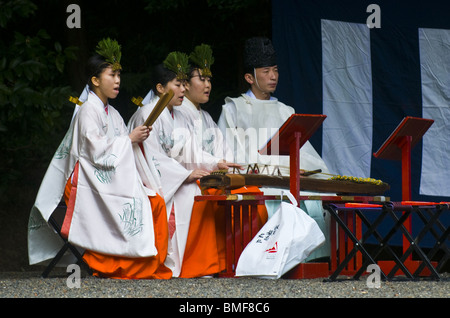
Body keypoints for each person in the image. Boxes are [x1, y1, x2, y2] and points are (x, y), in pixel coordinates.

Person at [27, 38, 172, 279]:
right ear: (95, 80)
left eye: (119, 75)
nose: (117, 81)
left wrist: (134, 139)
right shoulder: (87, 110)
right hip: (83, 181)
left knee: (155, 200)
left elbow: (116, 150)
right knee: (143, 203)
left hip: (103, 177)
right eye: (112, 75)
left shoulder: (112, 112)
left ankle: (147, 263)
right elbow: (94, 151)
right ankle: (120, 264)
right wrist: (129, 139)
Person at [217, 36, 331, 261]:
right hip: (259, 177)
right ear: (250, 77)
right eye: (266, 71)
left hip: (289, 176)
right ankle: (268, 259)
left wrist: (303, 170)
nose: (273, 76)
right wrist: (270, 170)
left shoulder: (285, 110)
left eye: (275, 70)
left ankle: (311, 258)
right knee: (279, 197)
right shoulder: (234, 108)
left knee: (321, 195)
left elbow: (304, 152)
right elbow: (232, 151)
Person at [128, 51, 240, 277]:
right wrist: (184, 176)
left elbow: (191, 150)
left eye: (183, 84)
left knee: (198, 191)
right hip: (152, 182)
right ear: (160, 88)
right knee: (192, 193)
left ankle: (203, 261)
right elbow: (150, 158)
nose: (183, 90)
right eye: (178, 85)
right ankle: (188, 262)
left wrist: (217, 162)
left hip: (173, 178)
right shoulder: (146, 114)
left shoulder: (177, 115)